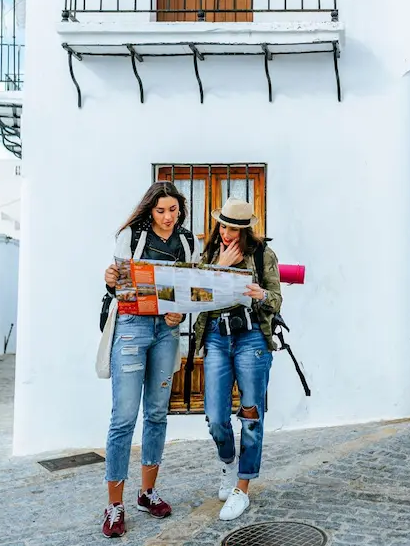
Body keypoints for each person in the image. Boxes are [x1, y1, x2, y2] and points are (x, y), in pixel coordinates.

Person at [98, 181, 198, 538]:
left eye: (174, 210)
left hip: (167, 332)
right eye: (161, 210)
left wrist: (180, 313)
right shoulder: (131, 235)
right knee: (124, 416)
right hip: (132, 327)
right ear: (149, 209)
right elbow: (118, 285)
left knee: (156, 413)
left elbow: (192, 288)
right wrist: (110, 280)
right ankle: (114, 505)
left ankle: (147, 492)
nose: (168, 217)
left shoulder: (188, 242)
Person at [194, 197, 283, 521]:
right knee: (216, 417)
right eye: (223, 225)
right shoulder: (210, 254)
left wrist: (262, 295)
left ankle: (242, 488)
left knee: (251, 415)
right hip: (217, 337)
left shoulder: (262, 255)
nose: (227, 232)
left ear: (245, 230)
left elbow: (275, 299)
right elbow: (197, 294)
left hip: (251, 340)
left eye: (233, 228)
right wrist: (221, 267)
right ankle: (228, 463)